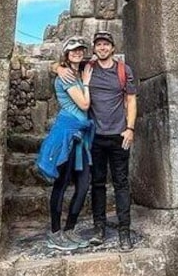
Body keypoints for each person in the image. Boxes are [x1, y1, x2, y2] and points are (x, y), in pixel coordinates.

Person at [57, 30, 137, 252]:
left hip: (119, 135)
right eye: (99, 44)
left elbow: (131, 100)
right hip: (95, 136)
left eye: (106, 44)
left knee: (121, 183)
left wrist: (130, 128)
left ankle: (124, 230)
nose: (102, 48)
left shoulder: (123, 70)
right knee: (98, 184)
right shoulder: (87, 67)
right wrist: (58, 68)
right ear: (94, 49)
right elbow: (63, 64)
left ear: (113, 48)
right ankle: (99, 228)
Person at [35, 36, 95, 251]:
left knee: (83, 184)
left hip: (81, 136)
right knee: (61, 184)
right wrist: (83, 81)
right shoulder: (68, 76)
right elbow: (84, 104)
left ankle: (69, 229)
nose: (77, 52)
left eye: (80, 49)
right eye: (73, 50)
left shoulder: (79, 72)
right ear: (66, 54)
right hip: (67, 134)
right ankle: (55, 232)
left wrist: (56, 67)